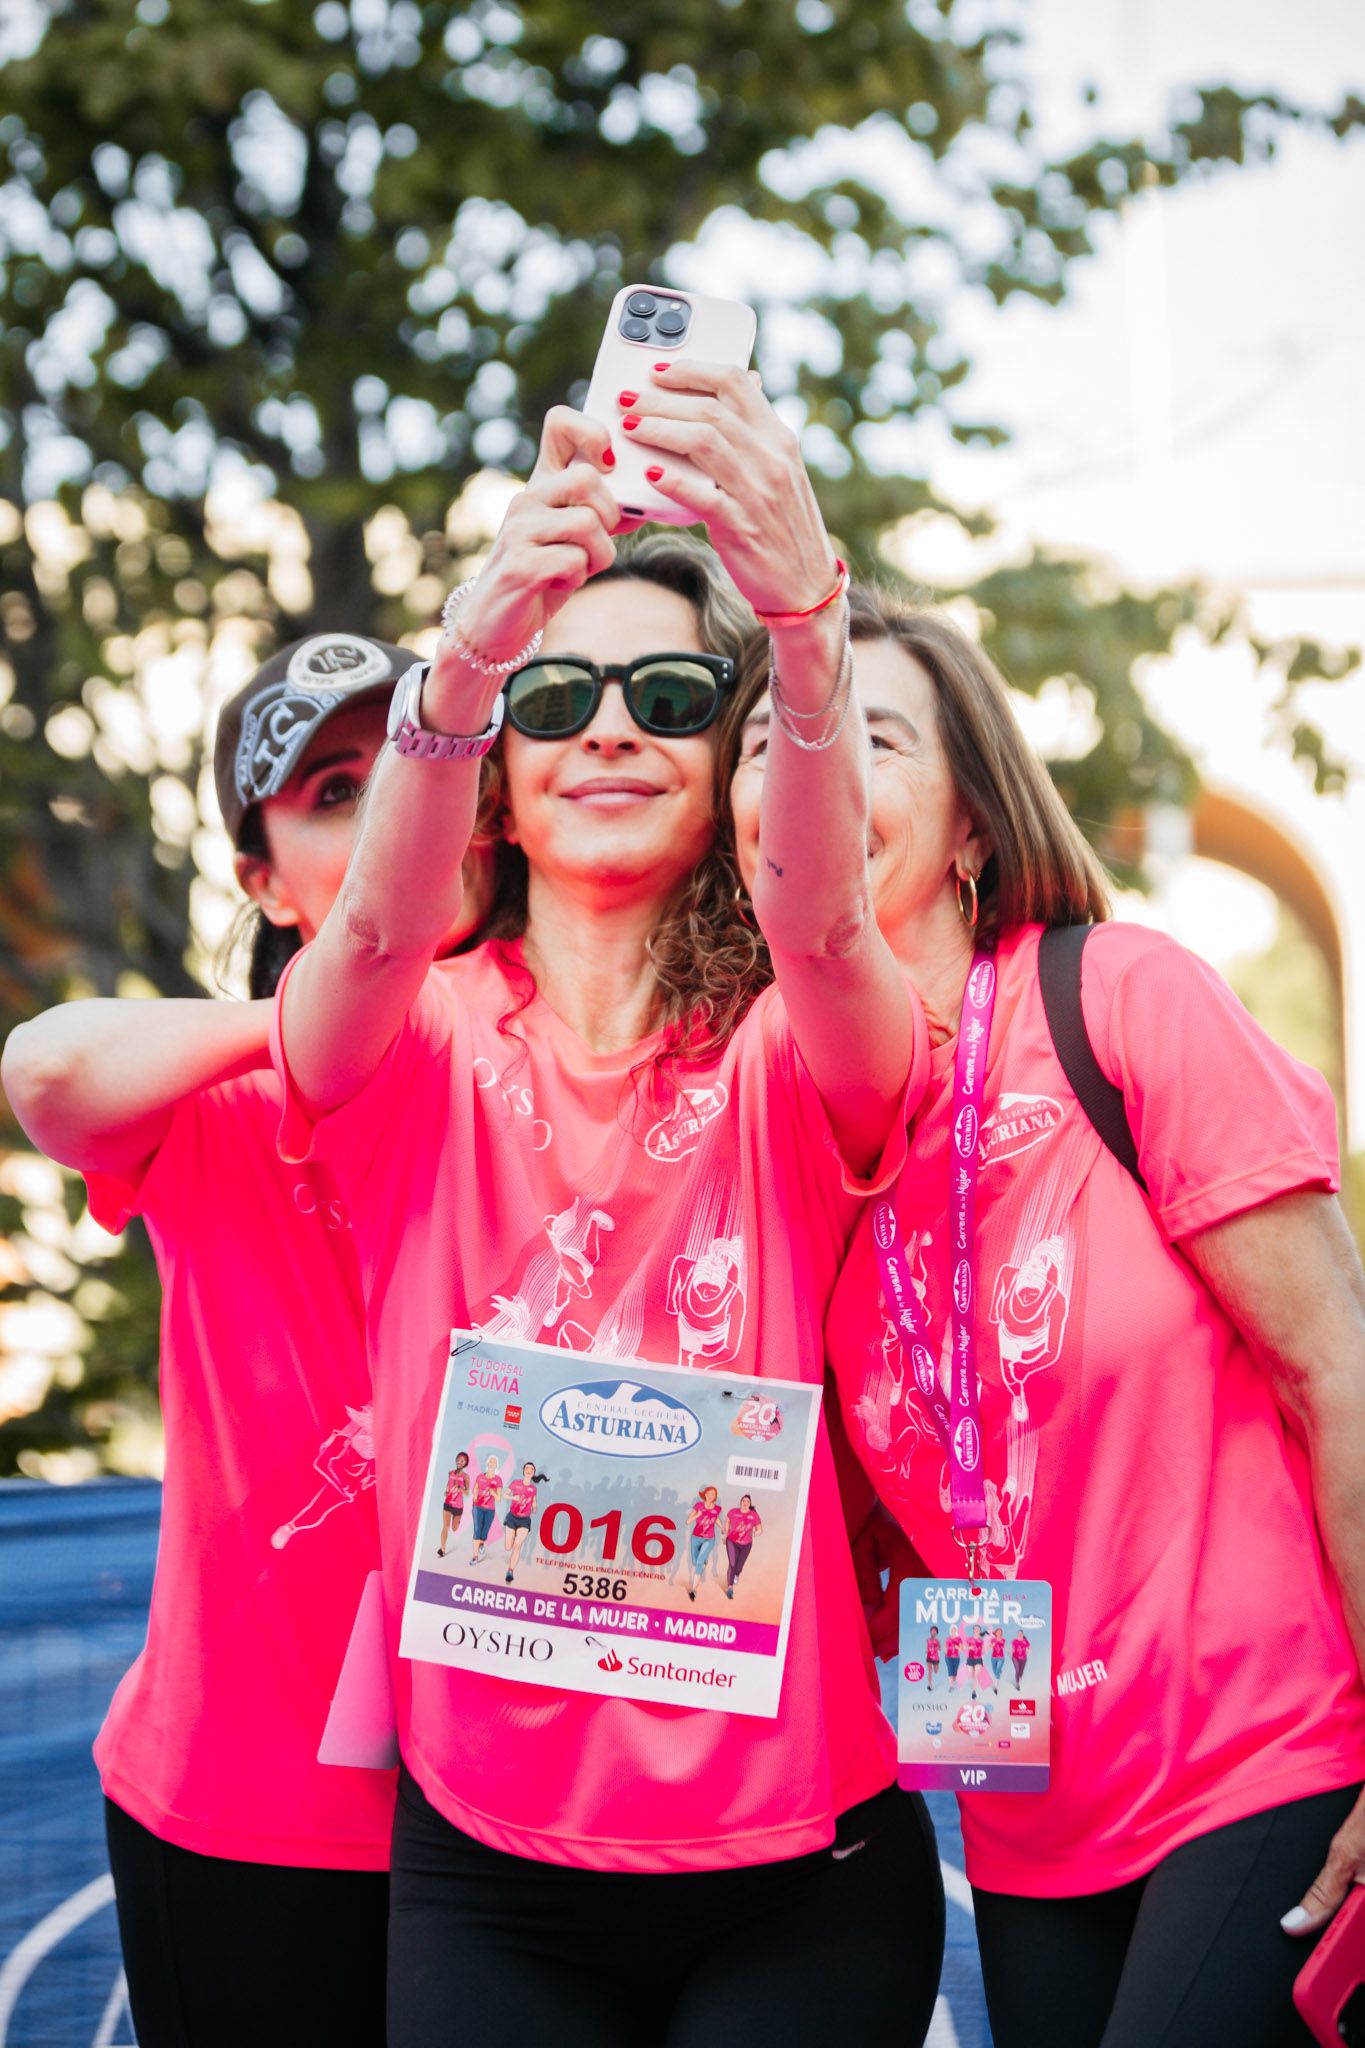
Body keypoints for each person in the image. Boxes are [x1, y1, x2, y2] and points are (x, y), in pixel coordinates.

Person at [269, 366, 945, 2043]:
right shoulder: (415, 1030)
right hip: (487, 1865)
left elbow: (827, 925)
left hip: (802, 1862)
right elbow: (366, 931)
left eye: (668, 692)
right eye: (556, 697)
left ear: (727, 759)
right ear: (496, 783)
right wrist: (461, 661)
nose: (610, 727)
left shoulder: (792, 1039)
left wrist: (803, 627)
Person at [725, 583, 1365, 2047]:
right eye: (769, 740)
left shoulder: (1119, 998)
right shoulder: (784, 1118)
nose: (809, 766)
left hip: (1265, 1754)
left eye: (869, 735)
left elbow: (1339, 1370)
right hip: (1024, 1814)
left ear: (971, 825)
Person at [2, 634, 493, 2047]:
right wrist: (334, 1004)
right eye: (336, 792)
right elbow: (48, 1068)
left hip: (523, 1807)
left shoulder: (578, 1069)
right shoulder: (222, 1096)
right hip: (245, 1812)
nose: (395, 806)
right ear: (263, 882)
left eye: (422, 763)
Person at [502, 1462, 543, 1583]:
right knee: (508, 1547)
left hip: (524, 1520)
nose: (529, 1470)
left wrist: (534, 1508)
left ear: (533, 1473)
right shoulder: (516, 1483)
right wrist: (513, 1498)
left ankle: (510, 1571)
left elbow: (534, 1502)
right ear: (524, 1470)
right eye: (527, 1468)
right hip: (512, 1517)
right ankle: (512, 1537)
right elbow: (505, 1495)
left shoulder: (533, 1489)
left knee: (517, 1546)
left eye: (531, 1469)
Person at [686, 1485, 723, 1601]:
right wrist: (697, 1515)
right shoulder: (698, 1505)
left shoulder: (717, 1508)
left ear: (715, 1497)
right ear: (705, 1494)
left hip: (709, 1539)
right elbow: (688, 1521)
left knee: (699, 1562)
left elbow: (716, 1518)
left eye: (713, 1494)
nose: (710, 1496)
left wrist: (722, 1527)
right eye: (708, 1493)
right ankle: (703, 1564)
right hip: (696, 1538)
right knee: (694, 1562)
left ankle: (693, 1590)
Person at [724, 1493, 763, 1599]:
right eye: (743, 1500)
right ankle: (730, 1588)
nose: (745, 1502)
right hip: (732, 1541)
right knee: (732, 1564)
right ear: (740, 1502)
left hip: (746, 1545)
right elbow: (727, 1521)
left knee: (739, 1567)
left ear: (750, 1504)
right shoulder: (733, 1512)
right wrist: (726, 1533)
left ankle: (736, 1574)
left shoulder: (753, 1515)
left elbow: (760, 1529)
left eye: (747, 1501)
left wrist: (754, 1533)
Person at [469, 1455, 503, 1564]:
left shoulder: (498, 1480)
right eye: (491, 1461)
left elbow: (498, 1499)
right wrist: (475, 1496)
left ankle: (482, 1543)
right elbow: (475, 1488)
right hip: (477, 1507)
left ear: (496, 1465)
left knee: (484, 1532)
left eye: (494, 1462)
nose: (492, 1463)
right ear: (487, 1463)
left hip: (489, 1510)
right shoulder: (480, 1476)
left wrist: (493, 1493)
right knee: (477, 1530)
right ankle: (475, 1557)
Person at [440, 1450, 471, 1556]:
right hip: (448, 1503)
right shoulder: (451, 1473)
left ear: (465, 1463)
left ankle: (457, 1522)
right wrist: (446, 1491)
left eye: (462, 1461)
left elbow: (467, 1492)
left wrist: (460, 1488)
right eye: (458, 1459)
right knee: (446, 1526)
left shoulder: (466, 1476)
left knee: (454, 1528)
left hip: (458, 1506)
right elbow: (448, 1483)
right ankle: (442, 1549)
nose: (459, 1462)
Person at [925, 1625, 941, 1691]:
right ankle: (929, 1684)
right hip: (929, 1657)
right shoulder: (928, 1640)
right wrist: (927, 1651)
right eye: (932, 1631)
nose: (933, 1632)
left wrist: (936, 1648)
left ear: (936, 1632)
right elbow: (927, 1648)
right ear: (930, 1632)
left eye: (934, 1631)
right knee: (929, 1671)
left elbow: (940, 1649)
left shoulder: (937, 1641)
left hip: (936, 1658)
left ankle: (936, 1668)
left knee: (935, 1671)